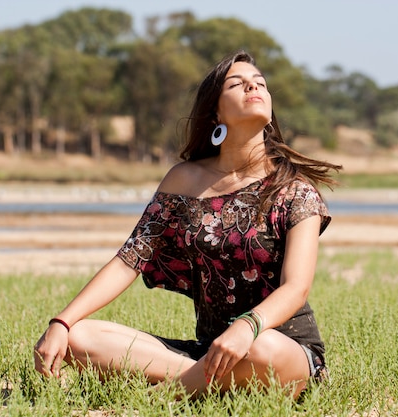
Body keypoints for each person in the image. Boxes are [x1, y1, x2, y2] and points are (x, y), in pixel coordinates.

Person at [34, 50, 341, 399]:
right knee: (78, 338)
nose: (253, 87)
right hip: (209, 353)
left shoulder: (294, 190)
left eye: (260, 83)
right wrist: (61, 322)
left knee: (259, 349)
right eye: (237, 84)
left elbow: (296, 287)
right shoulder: (185, 181)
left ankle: (161, 399)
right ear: (215, 111)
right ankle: (209, 385)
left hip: (281, 350)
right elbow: (129, 260)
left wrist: (247, 326)